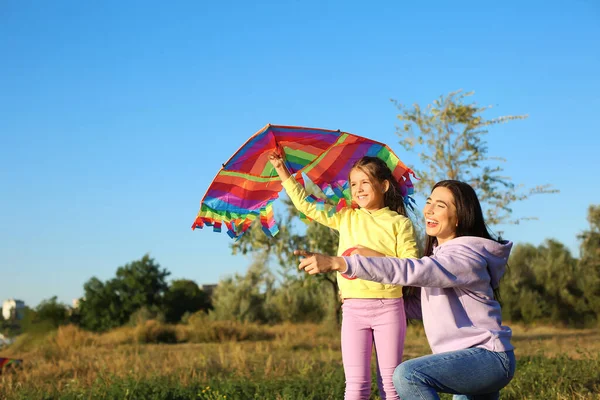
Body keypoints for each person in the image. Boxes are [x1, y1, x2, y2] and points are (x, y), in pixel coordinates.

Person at [296, 180, 516, 400]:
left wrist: (344, 263)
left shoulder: (464, 258)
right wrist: (367, 297)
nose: (428, 209)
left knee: (407, 375)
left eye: (440, 205)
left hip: (487, 358)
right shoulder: (441, 257)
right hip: (466, 360)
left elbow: (412, 270)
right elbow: (422, 306)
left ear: (459, 217)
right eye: (429, 202)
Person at [269, 153, 418, 400]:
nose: (358, 189)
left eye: (365, 182)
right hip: (352, 310)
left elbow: (410, 268)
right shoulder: (346, 217)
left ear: (384, 185)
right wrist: (282, 170)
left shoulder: (399, 223)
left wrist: (371, 255)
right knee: (355, 386)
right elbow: (306, 204)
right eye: (353, 184)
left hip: (389, 308)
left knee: (391, 387)